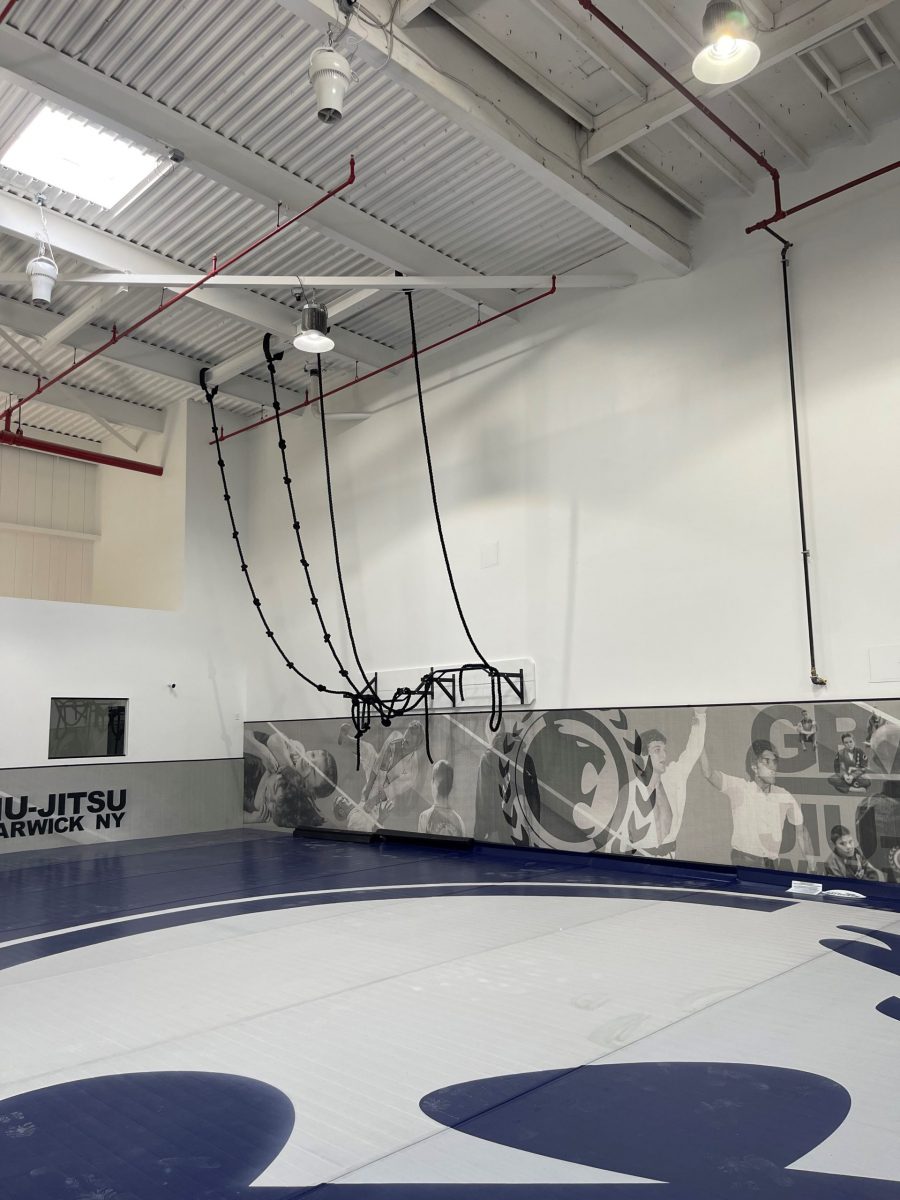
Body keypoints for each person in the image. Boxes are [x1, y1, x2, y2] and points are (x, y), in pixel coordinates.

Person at [606, 708, 707, 858]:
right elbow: (612, 843)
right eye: (657, 750)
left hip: (671, 859)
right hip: (642, 865)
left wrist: (700, 715)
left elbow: (693, 750)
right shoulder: (630, 791)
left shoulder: (673, 778)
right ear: (644, 755)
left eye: (664, 750)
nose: (664, 755)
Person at [701, 738, 813, 869]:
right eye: (766, 762)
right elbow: (708, 773)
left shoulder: (784, 796)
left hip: (771, 865)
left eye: (774, 762)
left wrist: (813, 866)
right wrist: (699, 739)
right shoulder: (740, 788)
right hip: (744, 862)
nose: (773, 767)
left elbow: (801, 831)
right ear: (754, 767)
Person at [418, 760, 466, 837]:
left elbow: (421, 848)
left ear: (433, 783)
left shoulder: (425, 817)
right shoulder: (459, 822)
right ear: (451, 787)